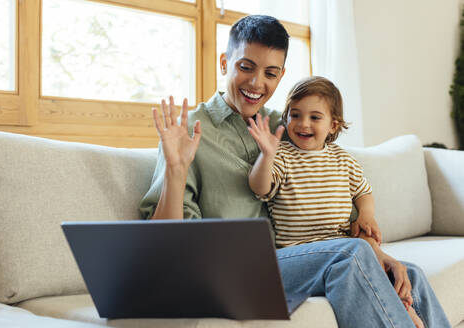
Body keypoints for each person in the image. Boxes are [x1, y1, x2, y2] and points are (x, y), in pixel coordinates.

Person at [139, 14, 451, 328]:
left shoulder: (287, 125)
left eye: (270, 73)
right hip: (228, 270)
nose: (257, 83)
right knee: (348, 255)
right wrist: (176, 172)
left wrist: (375, 251)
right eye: (245, 67)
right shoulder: (189, 132)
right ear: (224, 63)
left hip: (288, 261)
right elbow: (163, 247)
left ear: (281, 76)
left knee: (407, 275)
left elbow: (334, 185)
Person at [246, 76, 422, 327]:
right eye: (295, 115)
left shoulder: (343, 159)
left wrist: (366, 215)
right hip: (301, 252)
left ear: (333, 125)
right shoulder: (282, 156)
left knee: (410, 272)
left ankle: (405, 308)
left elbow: (363, 191)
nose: (303, 123)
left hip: (341, 248)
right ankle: (402, 315)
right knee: (358, 250)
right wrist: (266, 156)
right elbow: (259, 186)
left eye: (315, 117)